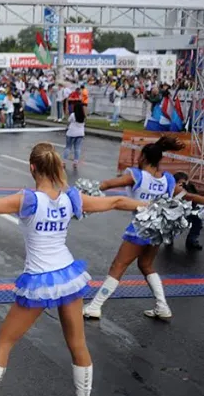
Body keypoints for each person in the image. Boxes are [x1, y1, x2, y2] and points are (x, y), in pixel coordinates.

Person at [0, 143, 144, 396]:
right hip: (67, 276)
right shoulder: (71, 198)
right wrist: (153, 206)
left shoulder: (28, 199)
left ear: (32, 168)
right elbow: (115, 203)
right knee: (77, 343)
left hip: (40, 280)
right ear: (56, 167)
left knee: (3, 342)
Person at [83, 137, 204, 320]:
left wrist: (83, 193)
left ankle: (95, 306)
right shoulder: (168, 180)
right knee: (146, 265)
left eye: (140, 156)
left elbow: (107, 185)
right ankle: (162, 306)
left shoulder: (136, 175)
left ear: (144, 158)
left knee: (118, 266)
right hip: (157, 230)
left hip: (139, 228)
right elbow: (188, 197)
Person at [173, 172, 202, 250]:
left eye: (183, 183)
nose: (181, 185)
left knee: (197, 221)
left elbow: (195, 198)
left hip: (188, 213)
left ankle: (191, 240)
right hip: (175, 214)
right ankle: (169, 238)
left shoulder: (190, 188)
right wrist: (179, 192)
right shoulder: (172, 189)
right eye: (179, 182)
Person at [64, 102, 86, 170]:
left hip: (71, 133)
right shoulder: (83, 115)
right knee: (77, 148)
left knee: (68, 147)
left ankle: (64, 161)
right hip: (80, 134)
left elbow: (68, 121)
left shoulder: (73, 115)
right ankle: (75, 162)